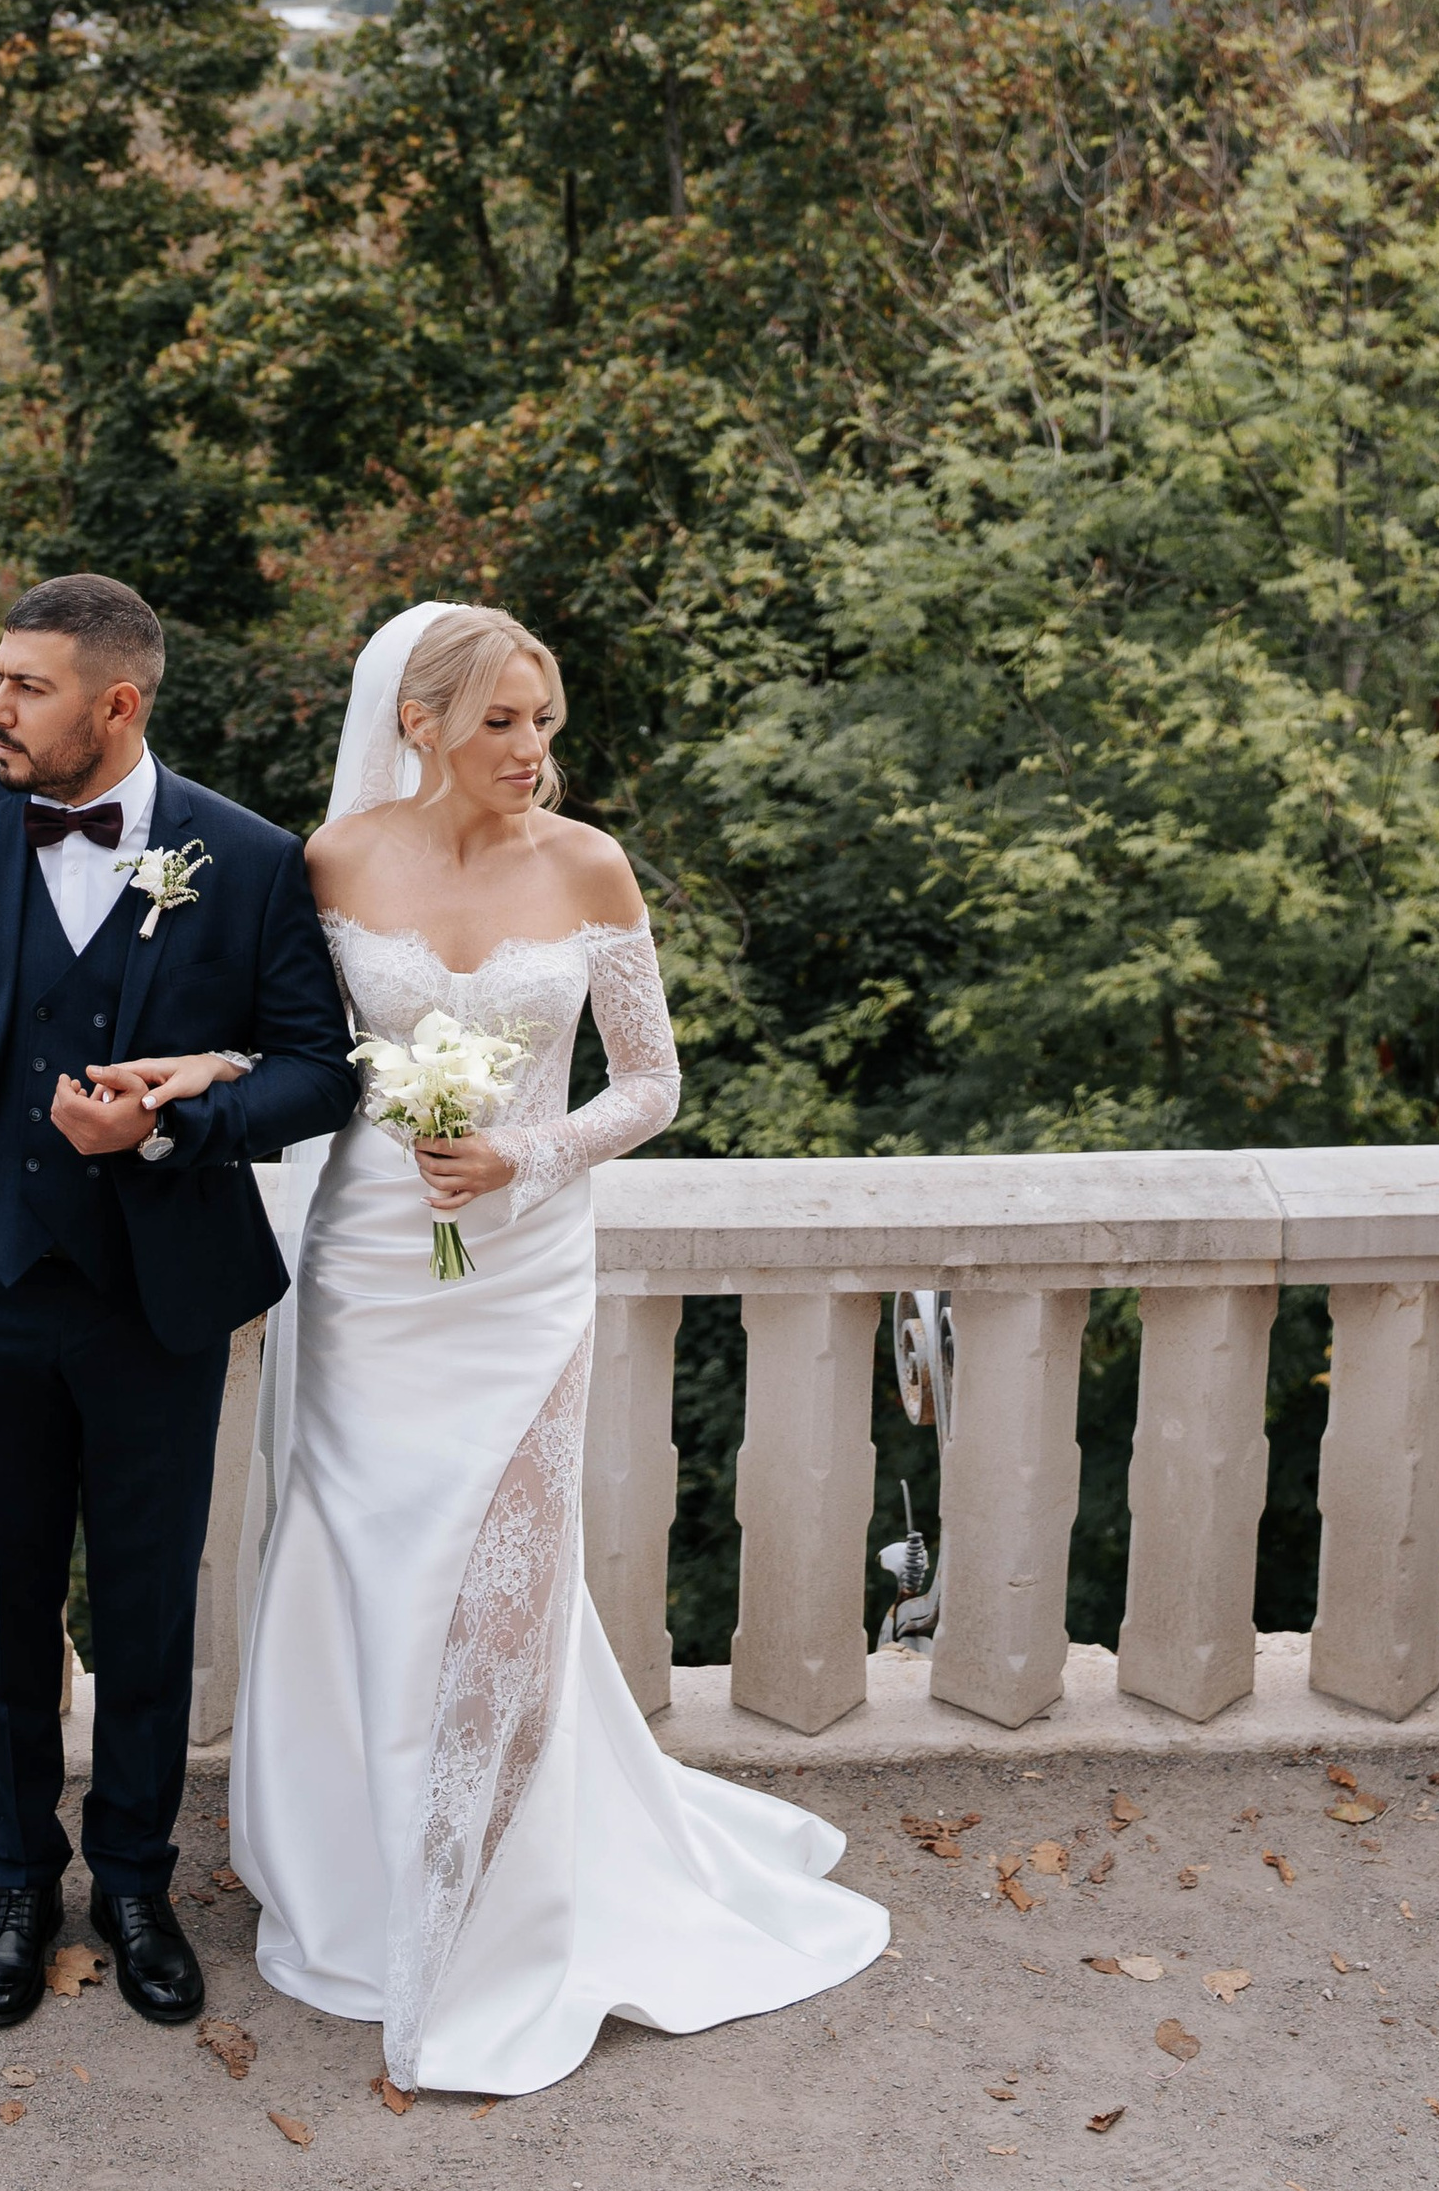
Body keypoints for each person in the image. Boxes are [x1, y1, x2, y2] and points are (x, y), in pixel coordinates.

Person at [107, 601, 888, 2099]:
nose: (531, 752)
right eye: (502, 724)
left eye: (545, 724)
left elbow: (650, 1083)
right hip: (374, 1270)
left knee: (506, 1567)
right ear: (421, 725)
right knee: (365, 1550)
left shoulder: (588, 865)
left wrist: (527, 1159)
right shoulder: (332, 861)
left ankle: (497, 1886)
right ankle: (358, 1867)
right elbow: (297, 1049)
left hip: (522, 1273)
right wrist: (194, 1068)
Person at [0, 572, 358, 2036]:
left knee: (144, 1602)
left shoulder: (249, 859)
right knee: (1, 1600)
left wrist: (179, 1127)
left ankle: (137, 1880)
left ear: (115, 705)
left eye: (26, 687)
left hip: (155, 1298)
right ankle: (22, 1879)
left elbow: (316, 1069)